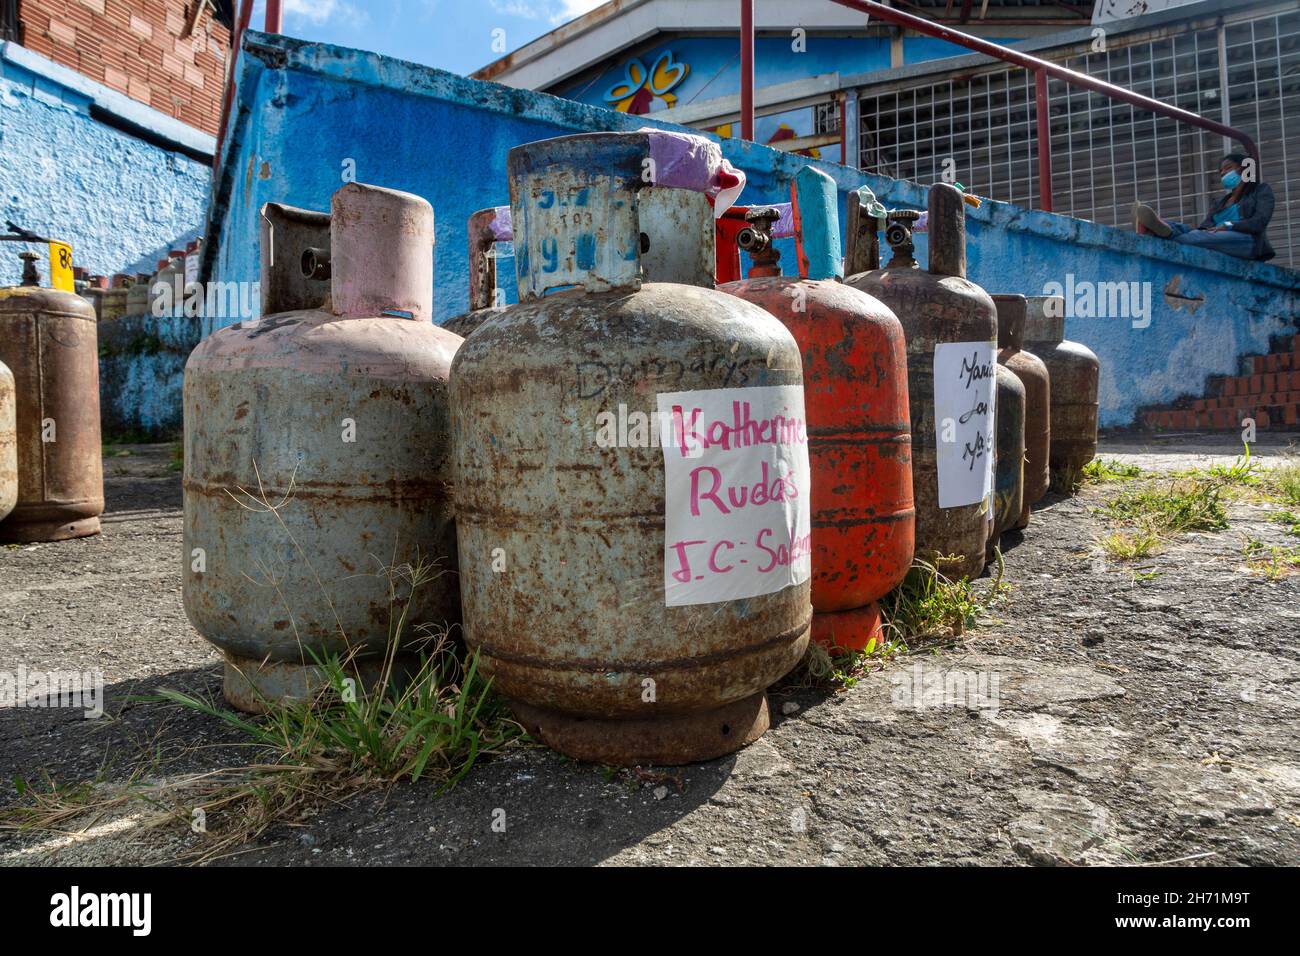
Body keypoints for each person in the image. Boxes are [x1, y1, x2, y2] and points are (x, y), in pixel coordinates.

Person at [1132, 153, 1276, 261]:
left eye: (1228, 168)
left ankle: (1154, 231)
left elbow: (1259, 222)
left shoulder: (1260, 190)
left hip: (1247, 242)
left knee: (1191, 238)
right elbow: (1204, 227)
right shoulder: (1220, 203)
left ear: (1244, 168)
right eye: (1221, 172)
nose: (1224, 173)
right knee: (1187, 230)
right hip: (1216, 237)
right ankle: (1162, 226)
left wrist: (1229, 225)